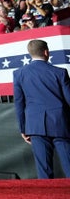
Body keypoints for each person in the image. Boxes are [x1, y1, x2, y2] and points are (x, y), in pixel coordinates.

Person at [13, 39, 70, 179]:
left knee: (44, 172)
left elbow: (19, 103)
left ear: (30, 54)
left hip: (35, 125)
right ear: (46, 52)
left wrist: (23, 128)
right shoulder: (60, 72)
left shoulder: (19, 73)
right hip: (60, 124)